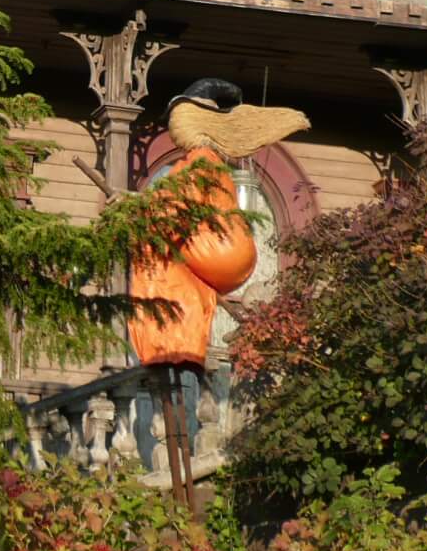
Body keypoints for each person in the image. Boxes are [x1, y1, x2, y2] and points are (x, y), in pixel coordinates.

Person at [129, 78, 309, 369]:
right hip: (224, 255)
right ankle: (177, 349)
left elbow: (174, 207)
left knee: (158, 255)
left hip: (216, 250)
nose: (175, 128)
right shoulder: (207, 162)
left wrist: (134, 210)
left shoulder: (200, 161)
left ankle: (170, 348)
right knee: (180, 276)